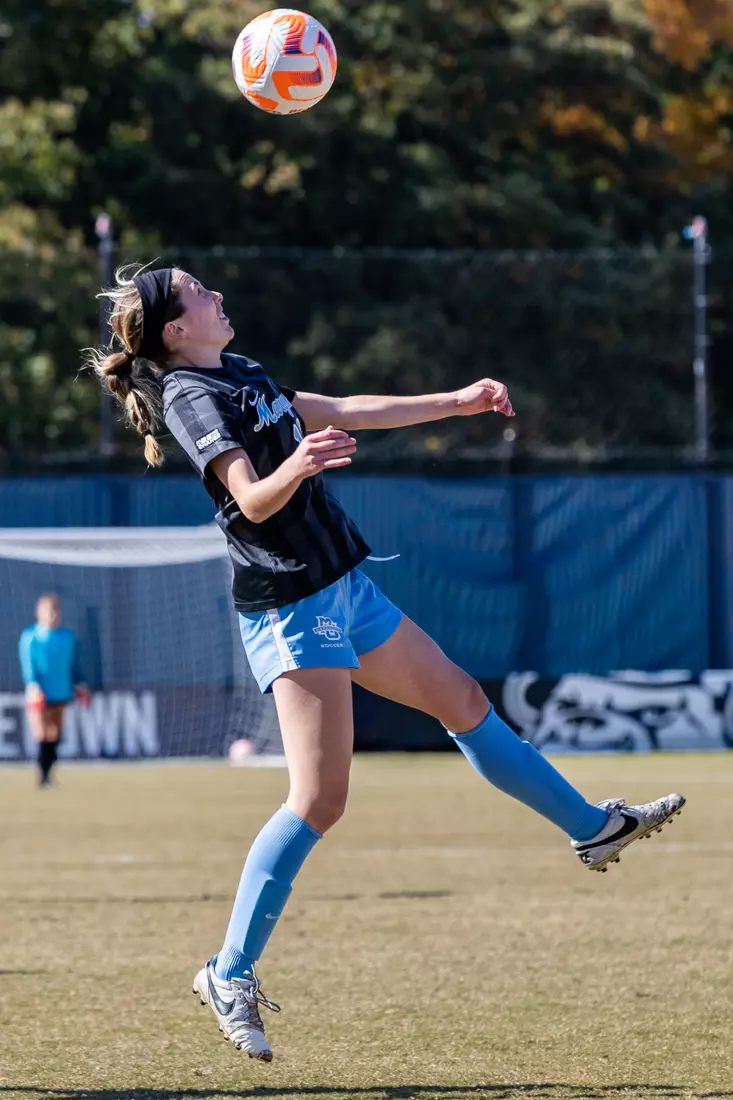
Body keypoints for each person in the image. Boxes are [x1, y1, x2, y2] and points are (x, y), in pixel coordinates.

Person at [89, 265, 685, 1063]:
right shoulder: (192, 397)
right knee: (319, 799)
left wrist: (455, 401)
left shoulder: (238, 370)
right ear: (175, 330)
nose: (219, 295)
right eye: (200, 292)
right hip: (290, 605)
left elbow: (339, 408)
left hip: (342, 586)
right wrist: (299, 464)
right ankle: (227, 973)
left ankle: (592, 829)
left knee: (461, 699)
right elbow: (250, 500)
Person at [18, 594, 91, 786]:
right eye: (49, 611)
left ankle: (49, 773)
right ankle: (42, 775)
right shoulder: (31, 637)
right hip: (38, 693)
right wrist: (32, 685)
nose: (53, 615)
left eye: (56, 611)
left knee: (55, 734)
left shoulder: (67, 636)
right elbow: (28, 665)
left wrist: (80, 684)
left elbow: (74, 664)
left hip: (61, 691)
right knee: (41, 733)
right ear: (39, 612)